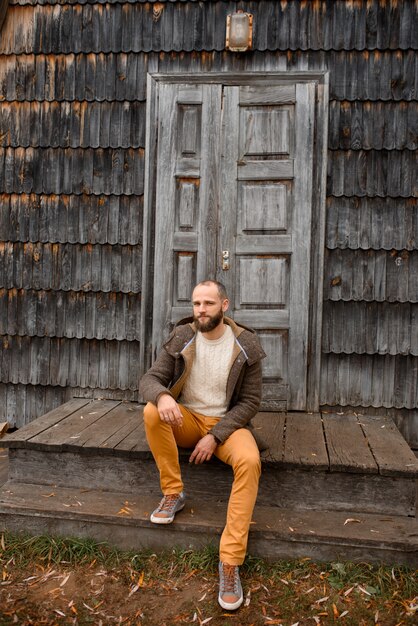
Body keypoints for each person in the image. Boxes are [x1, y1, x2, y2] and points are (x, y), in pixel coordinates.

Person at [139, 280, 266, 611]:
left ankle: (229, 562)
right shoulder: (183, 336)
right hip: (187, 420)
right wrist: (164, 396)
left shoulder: (245, 344)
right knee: (152, 411)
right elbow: (149, 380)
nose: (201, 310)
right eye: (196, 304)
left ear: (224, 306)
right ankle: (172, 493)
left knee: (250, 461)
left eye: (208, 303)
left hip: (226, 426)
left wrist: (216, 435)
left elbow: (250, 402)